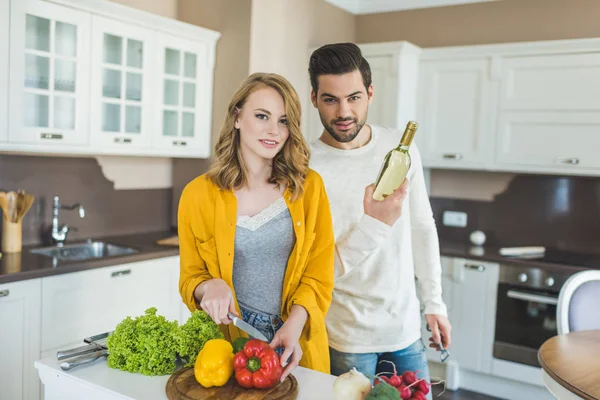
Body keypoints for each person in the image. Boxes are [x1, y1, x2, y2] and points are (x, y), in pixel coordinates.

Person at [308, 43, 452, 395]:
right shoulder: (305, 165)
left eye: (354, 97)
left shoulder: (399, 149)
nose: (344, 111)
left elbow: (422, 226)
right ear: (313, 98)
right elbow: (315, 269)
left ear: (370, 93)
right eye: (330, 99)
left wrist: (434, 302)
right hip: (344, 335)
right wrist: (374, 225)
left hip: (404, 329)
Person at [178, 72, 335, 380]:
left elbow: (319, 273)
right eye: (262, 116)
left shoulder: (309, 188)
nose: (273, 131)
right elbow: (190, 278)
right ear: (237, 116)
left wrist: (294, 324)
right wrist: (210, 285)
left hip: (295, 342)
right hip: (229, 344)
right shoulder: (197, 195)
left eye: (284, 121)